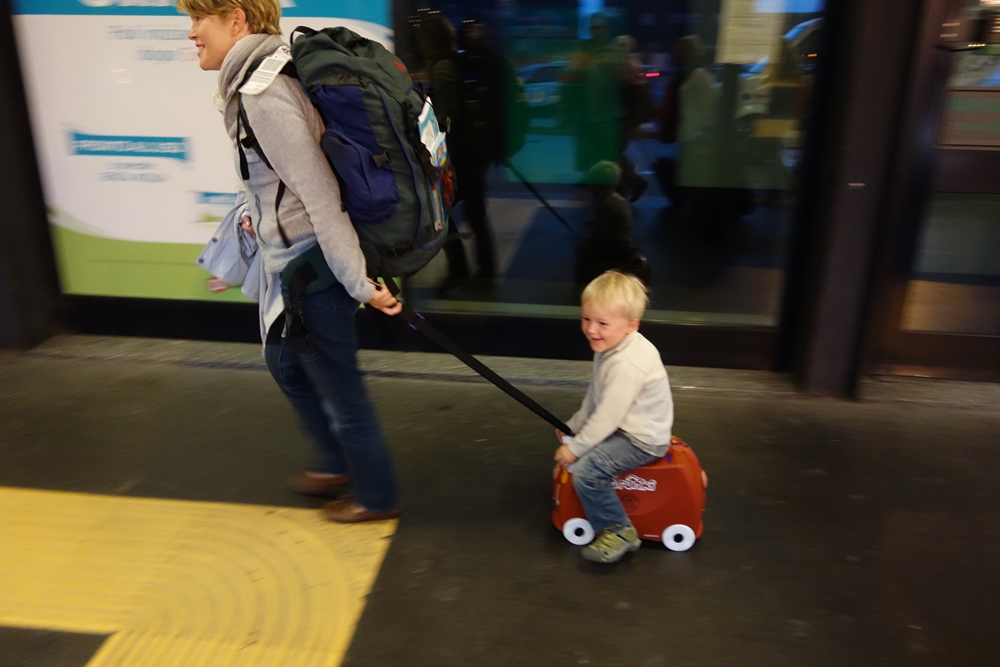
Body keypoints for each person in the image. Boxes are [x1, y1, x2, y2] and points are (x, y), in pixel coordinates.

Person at [179, 0, 402, 523]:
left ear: (235, 20)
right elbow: (267, 190)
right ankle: (331, 463)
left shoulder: (265, 93)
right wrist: (232, 253)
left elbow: (319, 194)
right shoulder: (252, 81)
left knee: (344, 393)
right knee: (283, 362)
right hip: (297, 261)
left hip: (317, 270)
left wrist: (357, 281)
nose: (190, 34)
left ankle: (377, 496)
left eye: (197, 20)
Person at [554, 271, 674, 563]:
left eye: (602, 323)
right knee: (584, 455)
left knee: (586, 473)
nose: (592, 330)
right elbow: (595, 396)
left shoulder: (627, 365)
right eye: (586, 319)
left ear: (632, 325)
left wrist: (575, 448)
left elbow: (607, 416)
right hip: (628, 426)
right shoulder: (610, 345)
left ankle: (618, 530)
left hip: (640, 439)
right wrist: (575, 425)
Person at [418, 15, 498, 291]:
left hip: (459, 157)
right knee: (475, 214)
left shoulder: (442, 68)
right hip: (473, 154)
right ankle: (485, 272)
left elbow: (447, 116)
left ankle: (460, 270)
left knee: (443, 213)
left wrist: (433, 142)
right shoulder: (460, 63)